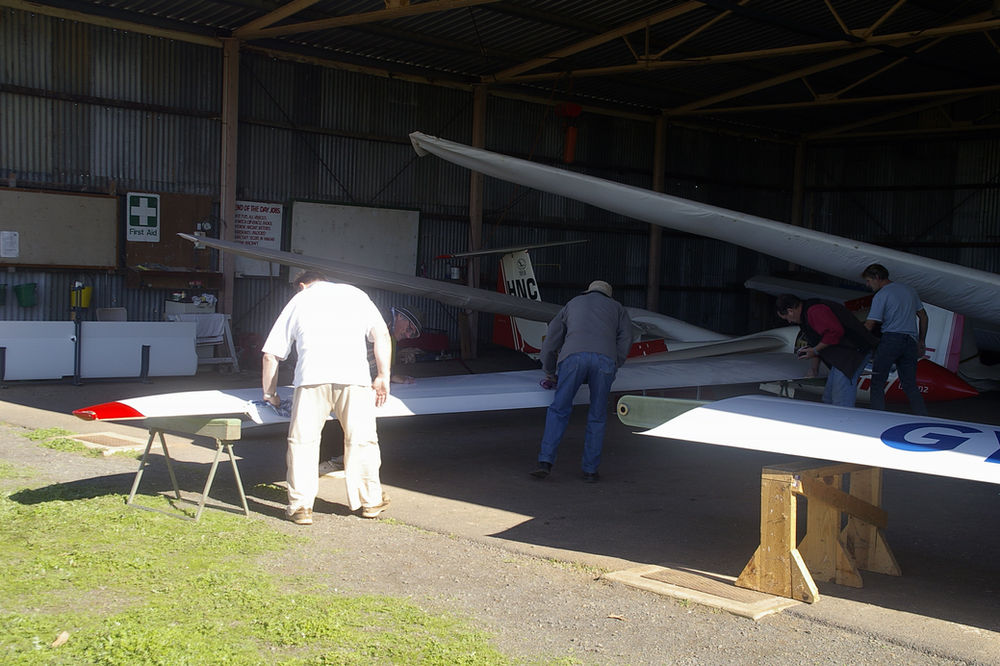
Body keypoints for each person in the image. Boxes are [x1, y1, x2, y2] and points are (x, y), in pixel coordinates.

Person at [261, 270, 393, 525]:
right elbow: (382, 336)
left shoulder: (299, 300)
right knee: (361, 440)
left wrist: (270, 393)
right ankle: (370, 501)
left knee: (303, 443)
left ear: (302, 286)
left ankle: (300, 506)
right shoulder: (357, 295)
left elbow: (271, 354)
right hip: (354, 377)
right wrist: (383, 375)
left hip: (311, 378)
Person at [531, 280, 632, 483]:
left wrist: (549, 370)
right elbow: (626, 339)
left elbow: (551, 339)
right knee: (597, 415)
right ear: (608, 295)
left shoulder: (573, 303)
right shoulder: (617, 308)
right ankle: (590, 471)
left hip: (573, 358)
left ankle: (545, 462)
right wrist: (615, 363)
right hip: (605, 360)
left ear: (588, 292)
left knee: (559, 410)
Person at [318, 305, 423, 477]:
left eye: (413, 334)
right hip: (335, 368)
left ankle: (337, 459)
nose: (409, 335)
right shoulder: (380, 321)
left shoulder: (387, 326)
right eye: (410, 329)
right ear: (400, 317)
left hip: (343, 370)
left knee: (346, 415)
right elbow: (362, 353)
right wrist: (383, 376)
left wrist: (388, 374)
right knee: (341, 414)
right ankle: (329, 461)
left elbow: (373, 355)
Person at [775, 293, 877, 408]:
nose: (789, 322)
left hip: (854, 352)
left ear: (790, 311)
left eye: (787, 318)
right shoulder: (805, 316)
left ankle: (842, 422)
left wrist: (815, 350)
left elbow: (835, 332)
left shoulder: (815, 310)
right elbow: (814, 343)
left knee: (841, 399)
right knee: (828, 398)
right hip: (842, 356)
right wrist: (814, 369)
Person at [861, 263, 929, 415]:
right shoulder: (909, 290)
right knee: (910, 385)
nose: (867, 284)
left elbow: (870, 323)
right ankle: (922, 416)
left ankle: (877, 418)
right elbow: (923, 316)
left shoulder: (881, 295)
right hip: (911, 341)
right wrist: (921, 341)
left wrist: (855, 340)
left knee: (878, 382)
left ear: (877, 277)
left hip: (891, 340)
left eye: (869, 281)